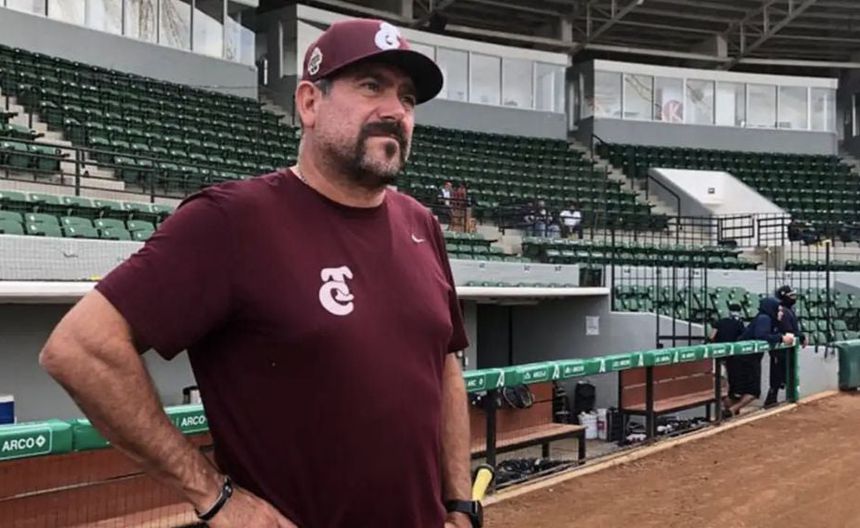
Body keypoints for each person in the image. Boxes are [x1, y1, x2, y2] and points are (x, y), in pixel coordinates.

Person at [39, 18, 480, 528]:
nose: (395, 111)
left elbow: (445, 362)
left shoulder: (422, 224)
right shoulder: (233, 220)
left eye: (407, 98)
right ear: (309, 103)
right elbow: (79, 349)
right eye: (371, 86)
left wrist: (460, 502)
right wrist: (214, 496)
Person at [725, 297, 794, 417]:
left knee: (748, 391)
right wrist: (781, 338)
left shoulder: (771, 320)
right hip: (743, 359)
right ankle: (728, 411)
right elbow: (761, 335)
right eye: (779, 310)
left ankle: (729, 411)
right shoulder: (764, 318)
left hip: (751, 359)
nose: (781, 313)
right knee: (743, 392)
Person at [765, 285, 806, 406]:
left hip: (788, 347)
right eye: (791, 296)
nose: (794, 298)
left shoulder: (789, 310)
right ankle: (771, 400)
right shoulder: (782, 311)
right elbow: (787, 329)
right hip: (780, 348)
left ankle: (785, 398)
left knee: (786, 374)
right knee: (777, 376)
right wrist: (800, 336)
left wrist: (800, 335)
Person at [708, 303, 746, 415]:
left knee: (721, 382)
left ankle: (725, 408)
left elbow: (711, 337)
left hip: (719, 355)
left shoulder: (720, 322)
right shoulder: (739, 324)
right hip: (733, 357)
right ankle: (730, 408)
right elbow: (743, 338)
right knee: (731, 383)